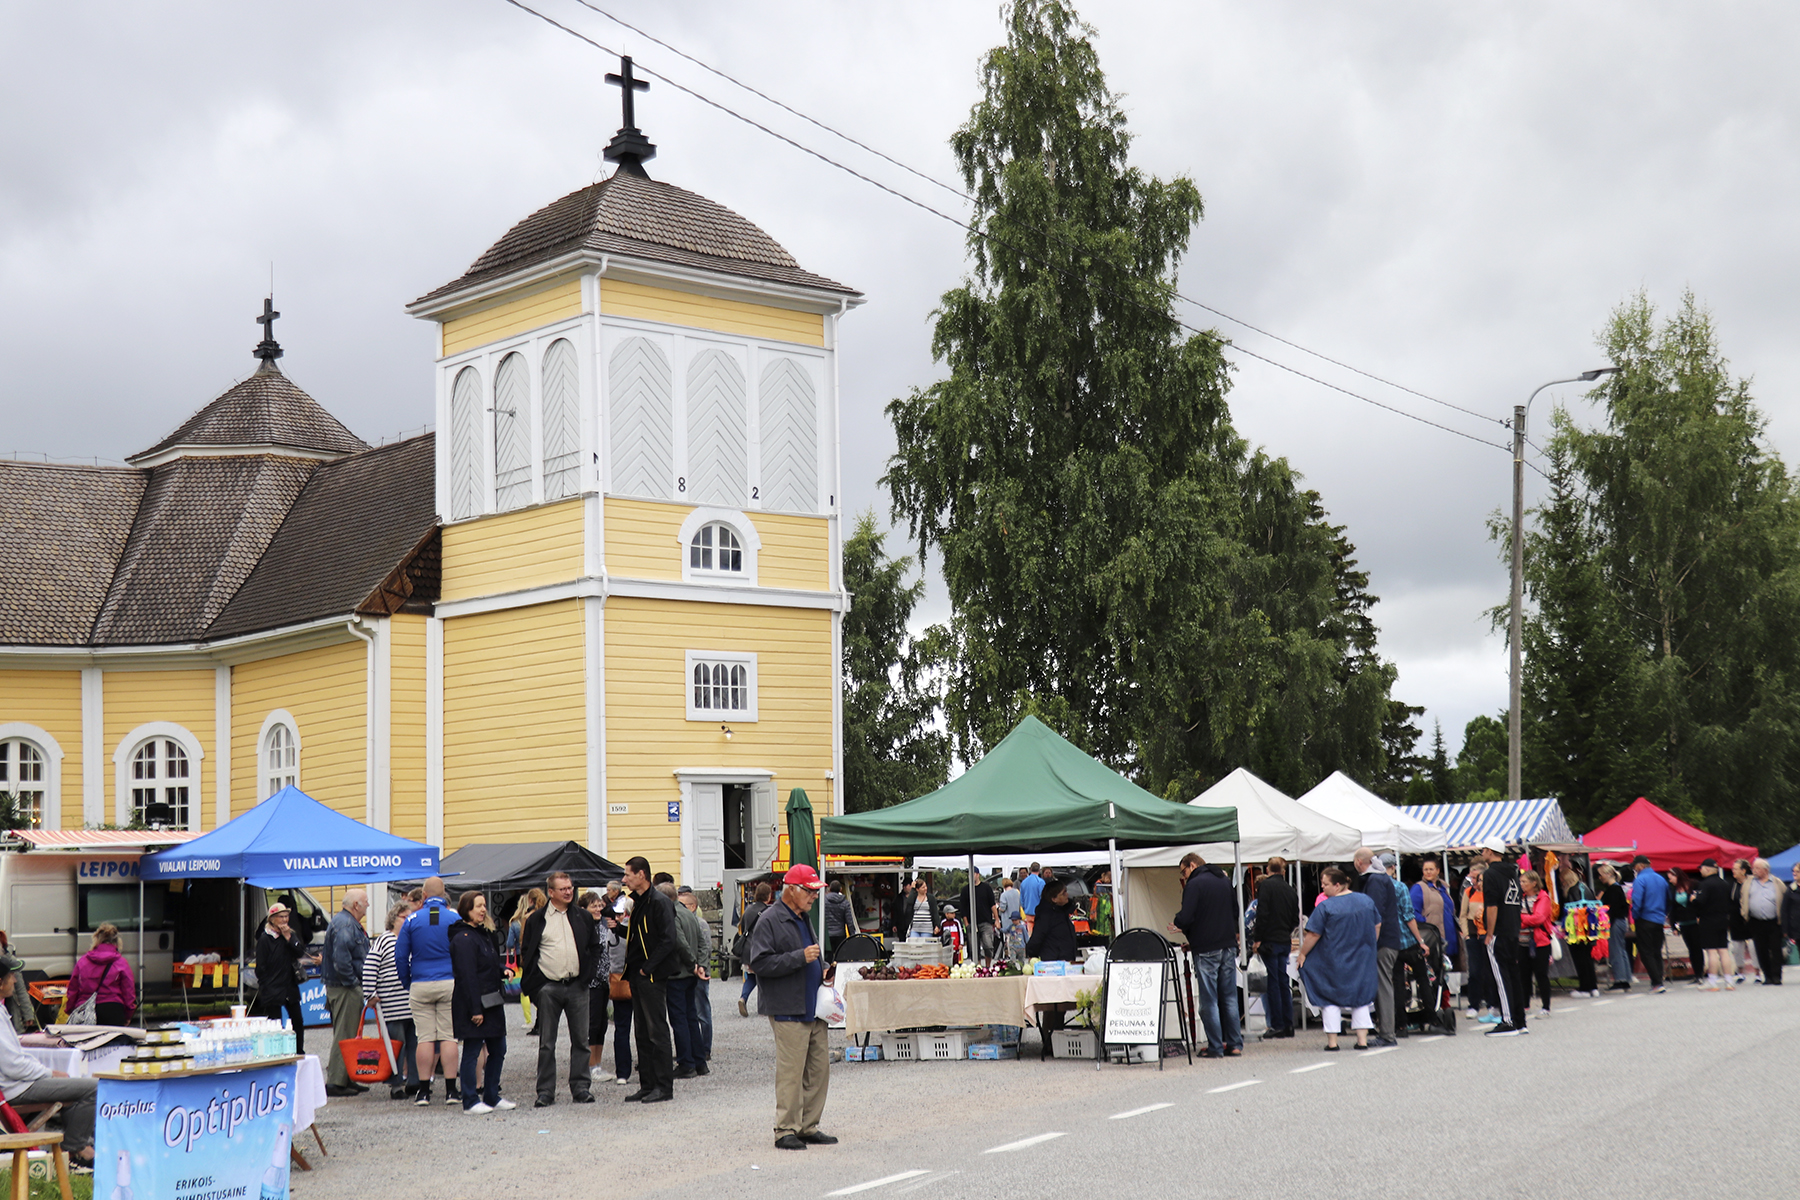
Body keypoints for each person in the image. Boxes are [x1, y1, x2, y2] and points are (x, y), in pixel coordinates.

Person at [745, 864, 835, 1151]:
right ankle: (785, 1129)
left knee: (818, 1071)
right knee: (791, 1072)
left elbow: (808, 957)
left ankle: (808, 1126)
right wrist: (800, 957)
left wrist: (822, 969)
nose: (813, 897)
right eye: (809, 891)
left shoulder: (802, 917)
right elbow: (758, 963)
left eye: (815, 892)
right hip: (788, 1008)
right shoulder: (769, 920)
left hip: (813, 1007)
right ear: (792, 890)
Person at [0, 953, 96, 1166]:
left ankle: (75, 1148)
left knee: (73, 1084)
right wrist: (50, 1073)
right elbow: (13, 1065)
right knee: (92, 1088)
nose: (16, 981)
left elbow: (18, 1057)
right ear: (0, 982)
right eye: (12, 976)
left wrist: (47, 1073)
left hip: (14, 1085)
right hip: (13, 1089)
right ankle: (75, 1150)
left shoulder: (1, 1008)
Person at [519, 870, 597, 1107]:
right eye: (563, 888)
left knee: (581, 1041)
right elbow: (528, 954)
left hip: (577, 986)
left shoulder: (583, 917)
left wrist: (586, 978)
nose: (568, 891)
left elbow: (594, 948)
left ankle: (581, 1088)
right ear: (550, 892)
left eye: (570, 887)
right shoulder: (537, 919)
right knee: (547, 1043)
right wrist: (537, 987)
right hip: (549, 987)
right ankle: (545, 1091)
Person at [1297, 867, 1380, 1051]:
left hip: (1334, 959)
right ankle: (1362, 1040)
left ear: (1337, 885)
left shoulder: (1326, 906)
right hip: (1362, 958)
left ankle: (1333, 1042)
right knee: (1361, 998)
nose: (1322, 888)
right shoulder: (1366, 901)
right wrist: (1370, 944)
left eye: (1325, 884)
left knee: (1330, 999)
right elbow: (1377, 924)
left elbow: (1313, 935)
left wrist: (1302, 953)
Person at [396, 876, 461, 1106]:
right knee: (448, 1035)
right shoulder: (454, 917)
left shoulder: (412, 920)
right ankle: (452, 1091)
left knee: (424, 1037)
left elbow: (401, 955)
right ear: (443, 895)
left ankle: (423, 1091)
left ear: (423, 895)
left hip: (421, 982)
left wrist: (408, 981)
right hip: (449, 981)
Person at [448, 891, 514, 1114]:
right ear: (467, 909)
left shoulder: (483, 934)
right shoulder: (462, 938)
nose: (483, 909)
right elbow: (467, 976)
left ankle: (492, 1095)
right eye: (478, 906)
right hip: (474, 1002)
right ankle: (469, 1100)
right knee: (472, 1051)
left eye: (484, 905)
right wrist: (475, 1009)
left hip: (492, 999)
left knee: (499, 1048)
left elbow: (488, 963)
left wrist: (503, 970)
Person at [1171, 853, 1241, 1058]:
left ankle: (1216, 1046)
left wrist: (1178, 921)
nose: (1184, 877)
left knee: (1209, 1000)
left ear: (1192, 865)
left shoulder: (1194, 884)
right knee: (1229, 998)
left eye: (1183, 872)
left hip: (1206, 948)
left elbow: (1187, 916)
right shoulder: (1224, 880)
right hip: (1228, 945)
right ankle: (1235, 1044)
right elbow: (1235, 912)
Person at [621, 856, 677, 1103]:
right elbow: (640, 937)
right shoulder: (637, 901)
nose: (625, 879)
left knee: (657, 1031)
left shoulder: (659, 902)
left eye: (628, 875)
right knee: (642, 1032)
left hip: (650, 975)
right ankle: (647, 1084)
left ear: (641, 875)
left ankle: (664, 1087)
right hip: (637, 974)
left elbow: (668, 940)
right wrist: (617, 928)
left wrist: (647, 968)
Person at [364, 900, 420, 1100]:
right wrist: (370, 995)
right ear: (394, 919)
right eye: (405, 917)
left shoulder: (412, 939)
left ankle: (415, 1081)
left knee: (415, 1043)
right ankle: (396, 1084)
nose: (408, 920)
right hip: (391, 1003)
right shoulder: (384, 940)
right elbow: (370, 967)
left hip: (412, 1002)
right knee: (397, 1044)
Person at [321, 888, 371, 1096]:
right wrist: (353, 984)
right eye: (365, 901)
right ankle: (336, 1082)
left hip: (345, 986)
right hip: (345, 988)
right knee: (345, 1034)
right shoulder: (345, 925)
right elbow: (341, 960)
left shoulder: (345, 922)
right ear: (356, 905)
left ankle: (346, 1077)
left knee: (349, 1033)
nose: (368, 905)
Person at [1479, 837, 1528, 1036]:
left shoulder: (1491, 874)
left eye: (1484, 849)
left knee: (1501, 977)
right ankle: (1520, 1020)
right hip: (1513, 929)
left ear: (1491, 851)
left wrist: (1489, 932)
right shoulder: (1513, 872)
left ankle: (1507, 1021)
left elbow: (1492, 906)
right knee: (1514, 976)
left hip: (1499, 931)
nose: (1482, 853)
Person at [1354, 848, 1401, 1047]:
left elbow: (1374, 914)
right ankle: (1386, 1031)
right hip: (1390, 939)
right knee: (1384, 984)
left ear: (1358, 861)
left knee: (1383, 986)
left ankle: (1388, 1034)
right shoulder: (1382, 878)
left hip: (1383, 941)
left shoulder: (1374, 881)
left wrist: (1371, 942)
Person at [665, 882, 710, 1079]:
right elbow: (701, 941)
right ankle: (700, 1062)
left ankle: (686, 1062)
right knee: (691, 1017)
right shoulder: (689, 914)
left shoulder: (672, 916)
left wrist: (693, 964)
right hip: (691, 974)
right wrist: (700, 964)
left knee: (679, 1019)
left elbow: (680, 943)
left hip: (678, 974)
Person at [255, 901, 312, 1054]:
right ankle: (278, 1053)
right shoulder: (265, 939)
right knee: (276, 1024)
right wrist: (266, 985)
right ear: (272, 918)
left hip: (289, 986)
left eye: (287, 916)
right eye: (281, 917)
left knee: (298, 1021)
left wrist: (289, 938)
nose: (285, 920)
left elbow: (300, 952)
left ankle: (299, 1051)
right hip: (272, 988)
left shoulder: (289, 935)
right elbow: (260, 968)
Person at [1252, 857, 1299, 1040]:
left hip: (1269, 940)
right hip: (1284, 940)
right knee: (1282, 982)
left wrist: (1258, 939)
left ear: (1267, 869)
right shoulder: (1290, 889)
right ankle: (1288, 1024)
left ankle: (1277, 1024)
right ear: (1284, 871)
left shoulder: (1266, 887)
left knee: (1272, 984)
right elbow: (1295, 918)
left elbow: (1262, 913)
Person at [65, 923, 136, 1028]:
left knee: (86, 1043)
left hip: (85, 1011)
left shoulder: (83, 962)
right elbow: (129, 991)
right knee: (113, 1044)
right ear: (117, 942)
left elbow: (73, 989)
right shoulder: (121, 962)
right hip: (113, 1011)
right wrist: (128, 1014)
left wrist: (70, 1009)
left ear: (96, 940)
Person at [581, 890, 616, 1082]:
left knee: (602, 1024)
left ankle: (598, 1064)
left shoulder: (603, 926)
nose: (597, 909)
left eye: (599, 905)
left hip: (604, 980)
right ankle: (589, 1065)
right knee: (592, 1025)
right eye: (593, 906)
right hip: (591, 982)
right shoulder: (583, 928)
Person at [1459, 864, 1498, 1023]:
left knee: (1489, 971)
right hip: (1474, 935)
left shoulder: (1490, 893)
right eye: (1472, 877)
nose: (1474, 881)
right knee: (1474, 971)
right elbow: (1462, 914)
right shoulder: (1469, 892)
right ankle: (1473, 1004)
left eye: (1476, 878)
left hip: (1488, 934)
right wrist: (1467, 934)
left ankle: (1492, 1004)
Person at [1740, 858, 1787, 986]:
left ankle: (1776, 975)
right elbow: (1743, 898)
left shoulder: (1777, 883)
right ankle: (1767, 976)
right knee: (1761, 950)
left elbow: (1785, 899)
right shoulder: (1749, 882)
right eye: (1753, 868)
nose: (1753, 871)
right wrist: (1744, 913)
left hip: (1773, 921)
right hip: (1756, 921)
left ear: (1765, 870)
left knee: (1775, 949)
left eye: (1757, 868)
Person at [1692, 858, 1736, 989]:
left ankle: (1713, 982)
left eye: (1701, 868)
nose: (1700, 871)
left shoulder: (1705, 884)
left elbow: (1700, 902)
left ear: (1706, 869)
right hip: (1723, 919)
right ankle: (1729, 981)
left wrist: (1693, 899)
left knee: (1711, 951)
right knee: (1723, 950)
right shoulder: (1725, 884)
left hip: (1708, 920)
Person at [1559, 866, 1602, 997]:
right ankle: (1593, 987)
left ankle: (1584, 988)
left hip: (1576, 929)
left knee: (1579, 959)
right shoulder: (1585, 887)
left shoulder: (1572, 890)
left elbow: (1571, 912)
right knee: (1587, 959)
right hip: (1589, 928)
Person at [1518, 870, 1556, 1018]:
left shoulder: (1543, 898)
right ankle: (1525, 1005)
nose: (1522, 885)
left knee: (1541, 974)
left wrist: (1522, 919)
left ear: (1534, 883)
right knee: (1523, 975)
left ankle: (1546, 1006)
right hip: (1522, 941)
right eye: (1521, 882)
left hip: (1540, 942)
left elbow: (1539, 918)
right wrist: (1526, 919)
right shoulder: (1519, 898)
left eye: (1524, 882)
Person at [1629, 854, 1669, 994]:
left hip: (1645, 919)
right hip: (1659, 919)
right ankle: (1659, 980)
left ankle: (1656, 982)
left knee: (1646, 952)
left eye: (1635, 866)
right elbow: (1668, 899)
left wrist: (1635, 916)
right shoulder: (1661, 879)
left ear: (1640, 866)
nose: (1634, 869)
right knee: (1657, 951)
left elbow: (1637, 900)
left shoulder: (1640, 880)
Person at [1411, 860, 1460, 970]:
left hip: (1449, 937)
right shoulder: (1419, 888)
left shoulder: (1443, 888)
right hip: (1433, 938)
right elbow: (1413, 912)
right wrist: (1427, 924)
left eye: (1431, 869)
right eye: (1425, 869)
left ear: (1438, 871)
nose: (1428, 872)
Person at [737, 881, 772, 1017]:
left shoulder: (748, 910)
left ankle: (743, 998)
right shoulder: (768, 911)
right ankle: (763, 1006)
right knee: (764, 977)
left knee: (751, 977)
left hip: (747, 949)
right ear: (768, 896)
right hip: (760, 949)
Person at [1026, 878, 1079, 964]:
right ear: (1054, 899)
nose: (1067, 895)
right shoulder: (1046, 915)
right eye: (1063, 893)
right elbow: (1037, 937)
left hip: (1064, 959)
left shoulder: (1061, 912)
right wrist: (1032, 954)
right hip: (1053, 962)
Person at [1598, 864, 1633, 990]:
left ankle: (1620, 979)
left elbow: (1612, 909)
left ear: (1608, 874)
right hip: (1621, 921)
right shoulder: (1617, 888)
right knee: (1621, 950)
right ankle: (1626, 977)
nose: (1600, 878)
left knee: (1616, 950)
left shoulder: (1613, 890)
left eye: (1601, 875)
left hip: (1615, 922)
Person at [1668, 870, 1705, 987]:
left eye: (1671, 878)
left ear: (1677, 876)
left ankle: (1700, 974)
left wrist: (1699, 914)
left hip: (1695, 921)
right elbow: (1672, 908)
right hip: (1683, 923)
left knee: (1697, 948)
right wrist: (1673, 925)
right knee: (1691, 949)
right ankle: (1696, 974)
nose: (1670, 881)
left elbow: (1700, 902)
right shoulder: (1674, 890)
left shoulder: (1693, 885)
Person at [822, 881, 854, 957]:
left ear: (829, 889)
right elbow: (849, 921)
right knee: (840, 957)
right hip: (840, 935)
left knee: (827, 958)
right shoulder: (845, 903)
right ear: (840, 889)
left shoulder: (823, 901)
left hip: (827, 935)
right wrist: (852, 935)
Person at [999, 877, 1026, 963]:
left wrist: (998, 908)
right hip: (1018, 921)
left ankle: (1012, 960)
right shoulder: (1017, 892)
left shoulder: (1004, 895)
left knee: (1010, 941)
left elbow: (1003, 908)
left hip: (1008, 922)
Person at [974, 874, 999, 958]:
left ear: (978, 875)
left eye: (973, 873)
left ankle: (988, 967)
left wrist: (997, 919)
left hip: (986, 921)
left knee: (988, 946)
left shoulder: (986, 888)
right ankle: (978, 967)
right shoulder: (967, 889)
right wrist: (967, 923)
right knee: (974, 948)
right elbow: (963, 907)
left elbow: (992, 904)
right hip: (973, 923)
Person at [1020, 863, 1046, 936]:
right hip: (1039, 912)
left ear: (1030, 869)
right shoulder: (1040, 882)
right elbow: (1043, 897)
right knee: (1040, 933)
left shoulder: (1024, 882)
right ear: (1039, 870)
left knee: (1030, 933)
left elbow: (1021, 899)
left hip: (1028, 912)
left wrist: (1025, 908)